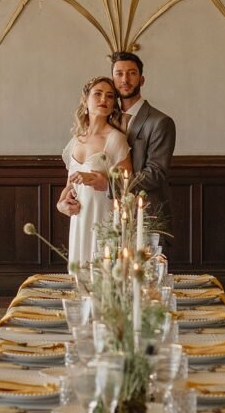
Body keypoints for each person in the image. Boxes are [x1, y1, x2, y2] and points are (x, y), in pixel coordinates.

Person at [57, 76, 132, 269]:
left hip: (103, 218)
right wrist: (61, 205)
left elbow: (128, 184)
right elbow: (69, 186)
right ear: (85, 100)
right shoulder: (76, 140)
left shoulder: (115, 139)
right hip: (80, 221)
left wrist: (101, 180)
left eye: (109, 96)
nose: (103, 100)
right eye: (97, 94)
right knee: (79, 279)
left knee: (102, 277)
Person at [110, 52, 176, 245]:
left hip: (146, 214)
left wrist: (109, 184)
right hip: (110, 217)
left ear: (142, 79)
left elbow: (155, 173)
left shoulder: (160, 122)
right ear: (112, 79)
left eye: (131, 73)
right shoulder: (107, 120)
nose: (125, 79)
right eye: (119, 73)